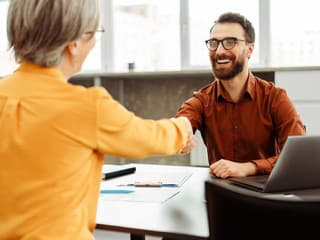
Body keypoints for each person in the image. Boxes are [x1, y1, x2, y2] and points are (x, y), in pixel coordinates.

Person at [0, 0, 196, 239]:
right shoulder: (85, 107)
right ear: (74, 43)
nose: (93, 43)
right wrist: (182, 128)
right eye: (94, 34)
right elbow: (146, 136)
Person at [176, 12, 305, 179]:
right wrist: (180, 132)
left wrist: (249, 168)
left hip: (267, 194)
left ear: (249, 49)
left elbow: (297, 157)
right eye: (214, 43)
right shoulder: (202, 100)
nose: (220, 51)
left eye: (230, 42)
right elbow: (183, 120)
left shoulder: (275, 98)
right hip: (221, 193)